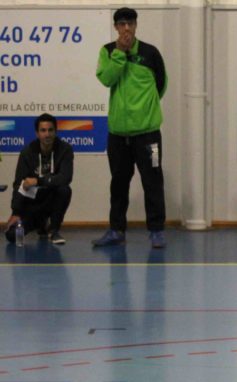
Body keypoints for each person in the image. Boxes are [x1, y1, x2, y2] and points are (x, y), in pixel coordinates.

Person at [94, 6, 168, 249]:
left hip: (148, 135)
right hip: (118, 135)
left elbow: (161, 85)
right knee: (118, 183)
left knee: (153, 182)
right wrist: (120, 54)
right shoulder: (108, 51)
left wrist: (145, 111)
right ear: (116, 27)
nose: (126, 28)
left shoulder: (150, 52)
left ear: (136, 25)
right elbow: (107, 79)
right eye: (122, 24)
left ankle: (156, 231)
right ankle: (116, 230)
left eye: (130, 23)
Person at [5, 114, 73, 246]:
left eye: (50, 130)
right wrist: (16, 212)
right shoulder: (27, 152)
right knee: (12, 236)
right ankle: (41, 223)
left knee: (64, 190)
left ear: (55, 132)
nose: (47, 134)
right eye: (43, 130)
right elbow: (18, 184)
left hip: (51, 199)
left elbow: (65, 178)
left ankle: (53, 230)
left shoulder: (65, 149)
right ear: (37, 133)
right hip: (32, 204)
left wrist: (38, 181)